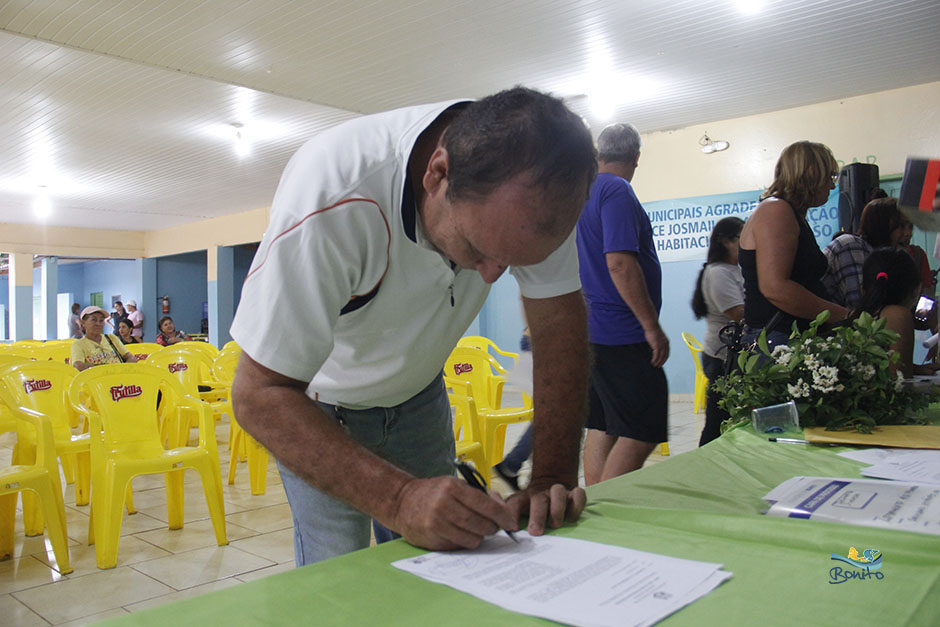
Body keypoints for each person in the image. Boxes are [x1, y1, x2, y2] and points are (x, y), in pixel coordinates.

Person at [229, 87, 597, 566]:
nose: (490, 275)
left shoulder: (536, 189)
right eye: (478, 249)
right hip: (316, 409)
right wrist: (399, 499)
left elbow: (559, 324)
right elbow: (258, 394)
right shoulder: (332, 197)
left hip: (419, 398)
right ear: (438, 173)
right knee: (336, 568)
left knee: (447, 558)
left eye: (514, 263)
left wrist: (551, 474)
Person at [576, 122, 669, 484]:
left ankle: (595, 507)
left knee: (602, 423)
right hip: (621, 331)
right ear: (636, 157)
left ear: (601, 153)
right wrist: (651, 326)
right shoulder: (616, 190)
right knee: (642, 427)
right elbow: (619, 262)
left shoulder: (582, 192)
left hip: (592, 329)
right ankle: (608, 505)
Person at [738, 141, 849, 349]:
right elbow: (775, 288)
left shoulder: (786, 212)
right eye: (831, 176)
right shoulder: (776, 211)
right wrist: (841, 315)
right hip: (779, 341)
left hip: (787, 337)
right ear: (812, 171)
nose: (832, 186)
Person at [690, 217, 745, 445]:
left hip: (735, 354)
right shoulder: (718, 272)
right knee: (717, 421)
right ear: (725, 242)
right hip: (722, 356)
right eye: (742, 238)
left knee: (732, 419)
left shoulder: (736, 270)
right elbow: (738, 313)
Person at [853, 247, 940, 378]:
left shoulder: (855, 317)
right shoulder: (898, 316)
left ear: (862, 289)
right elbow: (900, 383)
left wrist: (912, 368)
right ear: (916, 290)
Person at [822, 197, 906, 308]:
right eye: (901, 226)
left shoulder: (884, 259)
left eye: (910, 226)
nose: (908, 233)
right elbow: (859, 306)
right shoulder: (852, 246)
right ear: (882, 225)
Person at [71, 306, 137, 371]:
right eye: (94, 320)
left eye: (101, 320)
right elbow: (78, 365)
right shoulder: (78, 344)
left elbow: (131, 357)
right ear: (83, 322)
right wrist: (105, 370)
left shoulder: (111, 338)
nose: (98, 324)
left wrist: (123, 370)